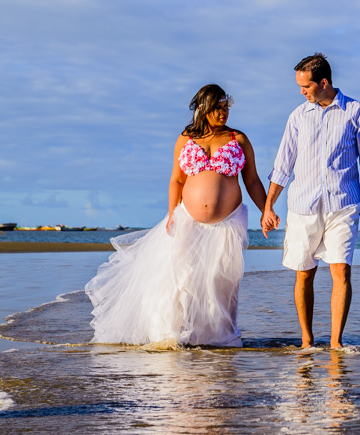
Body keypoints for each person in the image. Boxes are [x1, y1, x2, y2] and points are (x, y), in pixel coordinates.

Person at [87, 84, 269, 347]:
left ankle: (221, 339)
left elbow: (252, 180)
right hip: (187, 220)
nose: (223, 113)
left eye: (225, 107)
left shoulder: (238, 139)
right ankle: (181, 336)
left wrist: (266, 210)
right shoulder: (186, 138)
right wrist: (172, 214)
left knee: (223, 280)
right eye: (217, 108)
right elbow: (176, 180)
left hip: (228, 223)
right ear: (204, 109)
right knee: (183, 277)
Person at [261, 54, 360, 349]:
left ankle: (337, 344)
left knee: (341, 270)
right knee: (304, 273)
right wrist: (268, 206)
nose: (302, 92)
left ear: (323, 83)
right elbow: (282, 166)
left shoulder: (356, 111)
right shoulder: (298, 116)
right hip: (304, 206)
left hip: (343, 204)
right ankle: (307, 341)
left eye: (305, 86)